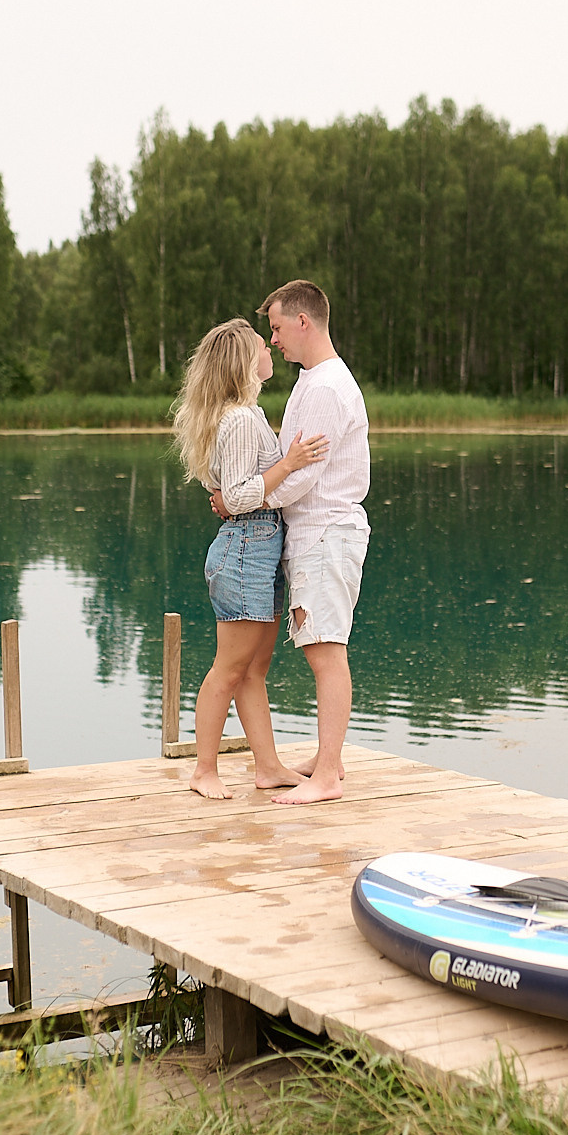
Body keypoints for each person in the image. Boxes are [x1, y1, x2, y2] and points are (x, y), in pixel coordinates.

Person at [210, 280, 369, 805]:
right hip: (313, 534)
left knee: (326, 653)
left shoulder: (323, 388)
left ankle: (325, 779)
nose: (273, 339)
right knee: (321, 649)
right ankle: (331, 762)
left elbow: (302, 476)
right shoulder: (312, 382)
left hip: (325, 533)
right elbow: (290, 464)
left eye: (276, 327)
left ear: (304, 322)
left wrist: (244, 500)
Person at [171, 318, 328, 800]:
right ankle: (203, 770)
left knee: (253, 670)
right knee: (228, 669)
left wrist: (232, 489)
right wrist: (290, 464)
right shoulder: (240, 419)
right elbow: (238, 496)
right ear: (245, 360)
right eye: (263, 343)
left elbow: (227, 487)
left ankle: (268, 766)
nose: (270, 346)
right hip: (244, 550)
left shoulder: (247, 414)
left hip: (259, 547)